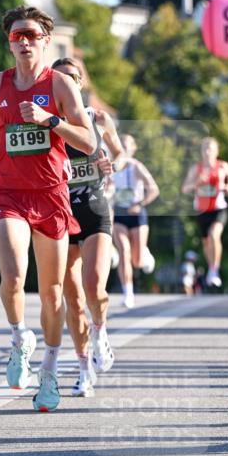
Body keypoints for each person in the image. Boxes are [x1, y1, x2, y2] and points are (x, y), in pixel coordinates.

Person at [0, 6, 96, 413]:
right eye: (16, 36)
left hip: (51, 196)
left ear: (45, 40)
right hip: (8, 193)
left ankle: (50, 371)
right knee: (12, 276)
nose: (23, 42)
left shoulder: (60, 85)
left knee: (53, 291)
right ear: (9, 43)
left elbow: (89, 143)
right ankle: (19, 336)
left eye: (31, 35)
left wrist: (50, 120)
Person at [53, 57, 127, 397]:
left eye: (71, 77)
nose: (65, 83)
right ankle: (83, 368)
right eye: (59, 78)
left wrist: (112, 163)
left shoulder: (98, 119)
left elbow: (121, 154)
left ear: (80, 83)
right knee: (72, 297)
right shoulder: (47, 123)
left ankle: (101, 331)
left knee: (95, 286)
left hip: (95, 208)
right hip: (61, 214)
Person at [181, 137, 228, 288]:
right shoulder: (196, 169)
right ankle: (211, 266)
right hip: (202, 210)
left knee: (214, 235)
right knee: (206, 243)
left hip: (219, 209)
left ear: (216, 151)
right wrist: (196, 183)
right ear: (201, 152)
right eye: (204, 148)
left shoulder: (222, 166)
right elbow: (185, 188)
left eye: (210, 149)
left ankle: (214, 270)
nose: (207, 152)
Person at [112, 134, 159, 309]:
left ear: (133, 149)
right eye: (120, 145)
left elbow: (154, 189)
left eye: (126, 146)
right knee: (124, 251)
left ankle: (145, 255)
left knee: (137, 261)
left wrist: (140, 203)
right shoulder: (112, 167)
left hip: (137, 214)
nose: (123, 149)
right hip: (119, 214)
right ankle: (128, 293)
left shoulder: (136, 167)